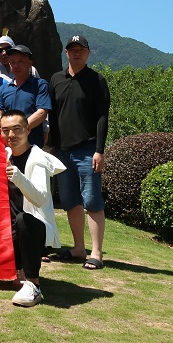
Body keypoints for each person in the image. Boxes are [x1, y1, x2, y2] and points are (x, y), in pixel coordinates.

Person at [49, 35, 110, 271]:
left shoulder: (97, 80)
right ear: (66, 53)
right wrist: (52, 146)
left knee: (92, 201)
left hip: (87, 149)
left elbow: (102, 117)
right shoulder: (56, 79)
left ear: (88, 53)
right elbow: (52, 115)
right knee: (70, 201)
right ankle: (78, 248)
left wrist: (99, 151)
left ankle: (96, 253)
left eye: (81, 50)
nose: (76, 53)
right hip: (62, 151)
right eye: (72, 49)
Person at [0, 110, 66, 307]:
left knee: (24, 220)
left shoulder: (38, 159)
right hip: (8, 231)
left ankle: (33, 285)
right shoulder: (4, 154)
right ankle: (16, 267)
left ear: (28, 129)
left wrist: (18, 177)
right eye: (5, 130)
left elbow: (40, 198)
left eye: (17, 129)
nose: (11, 135)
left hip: (35, 231)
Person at [0, 45, 50, 149]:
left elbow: (42, 112)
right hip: (10, 146)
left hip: (33, 144)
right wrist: (10, 130)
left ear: (30, 63)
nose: (16, 65)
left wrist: (20, 129)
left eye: (20, 61)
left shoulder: (40, 85)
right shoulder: (3, 89)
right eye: (12, 62)